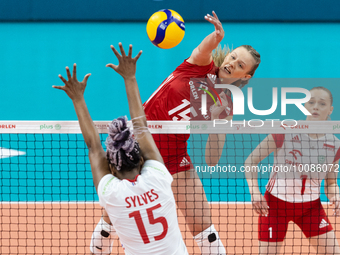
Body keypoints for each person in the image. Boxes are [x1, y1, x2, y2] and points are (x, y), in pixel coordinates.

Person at [142, 11, 261, 254]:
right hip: (139, 148)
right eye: (232, 56)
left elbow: (211, 159)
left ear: (245, 75)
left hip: (174, 157)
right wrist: (216, 37)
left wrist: (216, 122)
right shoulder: (199, 67)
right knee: (110, 223)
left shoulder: (226, 105)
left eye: (240, 65)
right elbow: (203, 50)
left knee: (206, 231)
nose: (231, 63)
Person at [53, 43, 189, 255]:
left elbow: (94, 148)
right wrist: (130, 77)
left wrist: (77, 99)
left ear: (113, 170)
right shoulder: (158, 177)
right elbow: (140, 125)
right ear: (141, 160)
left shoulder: (112, 194)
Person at [245, 87, 340, 254]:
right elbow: (251, 161)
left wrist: (336, 195)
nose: (315, 107)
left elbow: (331, 182)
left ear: (330, 109)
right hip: (274, 206)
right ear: (303, 105)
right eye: (311, 102)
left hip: (311, 209)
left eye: (322, 103)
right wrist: (254, 191)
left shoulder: (335, 145)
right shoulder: (285, 132)